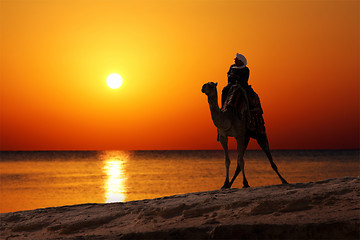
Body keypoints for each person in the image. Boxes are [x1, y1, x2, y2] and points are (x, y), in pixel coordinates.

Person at [221, 53, 265, 133]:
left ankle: (252, 109)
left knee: (250, 94)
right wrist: (230, 76)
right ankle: (222, 107)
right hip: (232, 84)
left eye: (237, 60)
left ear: (241, 61)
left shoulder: (246, 69)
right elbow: (228, 74)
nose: (235, 61)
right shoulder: (232, 67)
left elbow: (245, 80)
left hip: (242, 85)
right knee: (224, 90)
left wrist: (236, 77)